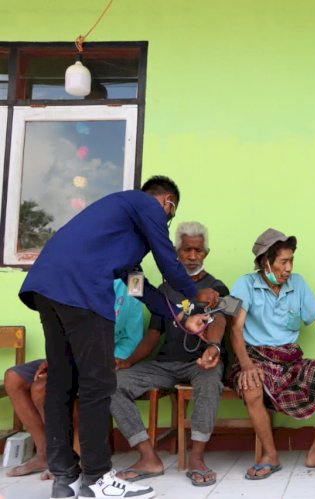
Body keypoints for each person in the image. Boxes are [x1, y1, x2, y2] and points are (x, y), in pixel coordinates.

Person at [18, 176, 218, 499]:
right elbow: (168, 261)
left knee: (62, 382)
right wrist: (195, 294)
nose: (166, 221)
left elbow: (138, 286)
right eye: (171, 214)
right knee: (99, 383)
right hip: (82, 288)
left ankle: (65, 479)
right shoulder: (145, 204)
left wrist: (182, 317)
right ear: (167, 202)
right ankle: (97, 478)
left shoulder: (122, 239)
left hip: (48, 285)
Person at [227, 228, 315, 479]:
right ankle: (270, 456)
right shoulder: (244, 284)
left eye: (291, 260)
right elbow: (234, 328)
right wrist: (246, 366)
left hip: (290, 360)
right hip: (255, 358)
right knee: (251, 386)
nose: (288, 268)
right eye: (283, 262)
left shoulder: (298, 283)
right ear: (266, 262)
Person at [111, 221, 229, 487]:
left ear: (205, 253)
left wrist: (213, 348)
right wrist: (128, 362)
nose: (191, 256)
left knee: (210, 379)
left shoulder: (215, 287)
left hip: (199, 363)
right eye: (186, 250)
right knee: (114, 383)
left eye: (198, 251)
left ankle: (196, 457)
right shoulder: (163, 290)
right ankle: (147, 456)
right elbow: (153, 335)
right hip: (164, 364)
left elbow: (220, 319)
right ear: (176, 253)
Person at [4, 280, 144, 478]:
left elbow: (133, 335)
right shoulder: (74, 279)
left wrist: (115, 358)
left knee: (41, 387)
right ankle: (45, 453)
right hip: (66, 353)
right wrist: (55, 357)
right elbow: (58, 330)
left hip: (102, 357)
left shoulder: (129, 282)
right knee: (13, 377)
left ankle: (65, 457)